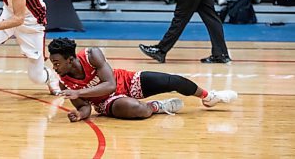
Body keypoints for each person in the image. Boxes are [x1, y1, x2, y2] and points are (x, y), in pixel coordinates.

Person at [49, 38, 238, 121]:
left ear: (70, 59)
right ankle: (158, 106)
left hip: (126, 81)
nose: (54, 67)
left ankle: (208, 96)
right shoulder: (64, 82)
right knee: (137, 109)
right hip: (107, 102)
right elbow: (84, 106)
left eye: (57, 63)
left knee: (173, 81)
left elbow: (110, 84)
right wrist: (80, 115)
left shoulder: (92, 55)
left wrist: (79, 92)